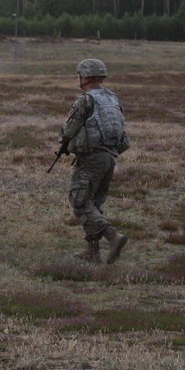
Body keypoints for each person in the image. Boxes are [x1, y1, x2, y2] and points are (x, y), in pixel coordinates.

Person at [57, 58, 129, 264]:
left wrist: (63, 142)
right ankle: (92, 251)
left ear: (86, 76)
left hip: (92, 157)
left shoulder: (86, 100)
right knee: (94, 203)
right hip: (110, 157)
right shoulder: (111, 98)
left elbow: (70, 128)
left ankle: (113, 237)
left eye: (80, 74)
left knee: (79, 201)